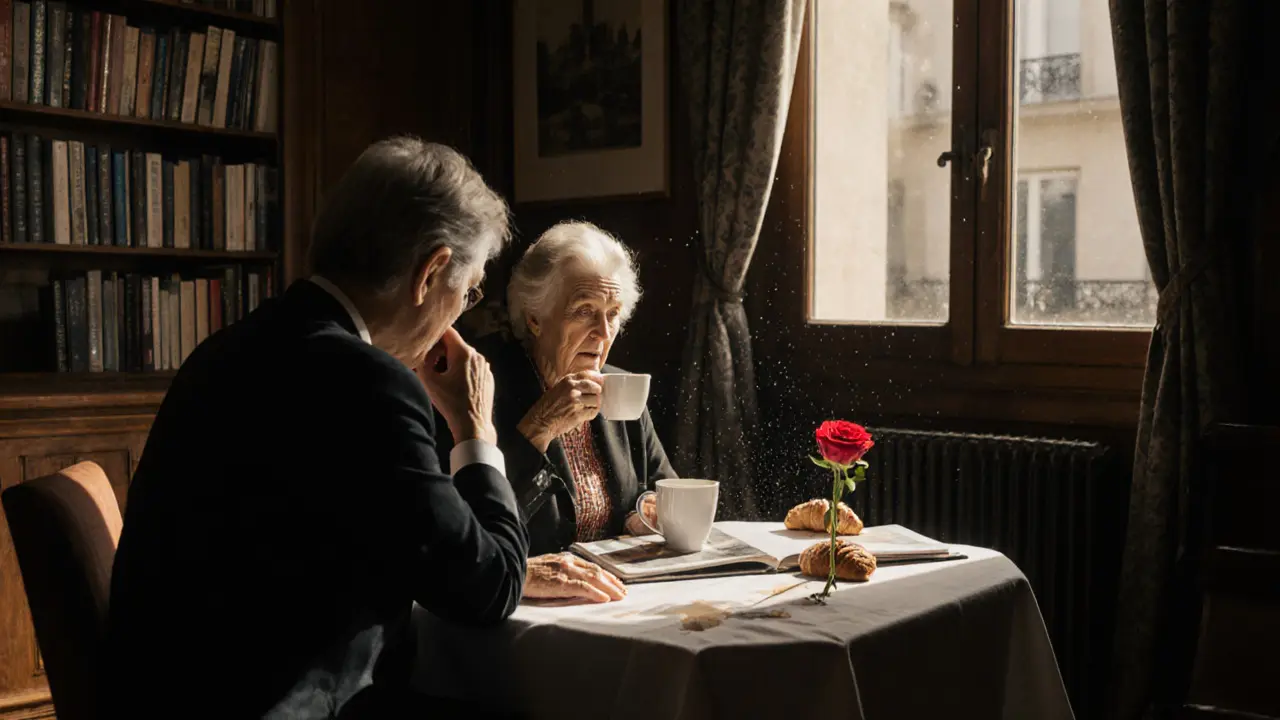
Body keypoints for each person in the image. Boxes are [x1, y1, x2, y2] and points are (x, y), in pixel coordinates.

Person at [103, 138, 529, 718]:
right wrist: (474, 427)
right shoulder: (369, 384)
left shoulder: (227, 348)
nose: (462, 310)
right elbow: (493, 588)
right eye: (469, 288)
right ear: (431, 272)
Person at [440, 221, 677, 605]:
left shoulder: (621, 387)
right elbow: (466, 530)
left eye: (613, 313)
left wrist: (645, 511)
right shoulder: (481, 389)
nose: (603, 333)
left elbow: (657, 489)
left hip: (612, 598)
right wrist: (538, 427)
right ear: (534, 318)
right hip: (521, 605)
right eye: (584, 311)